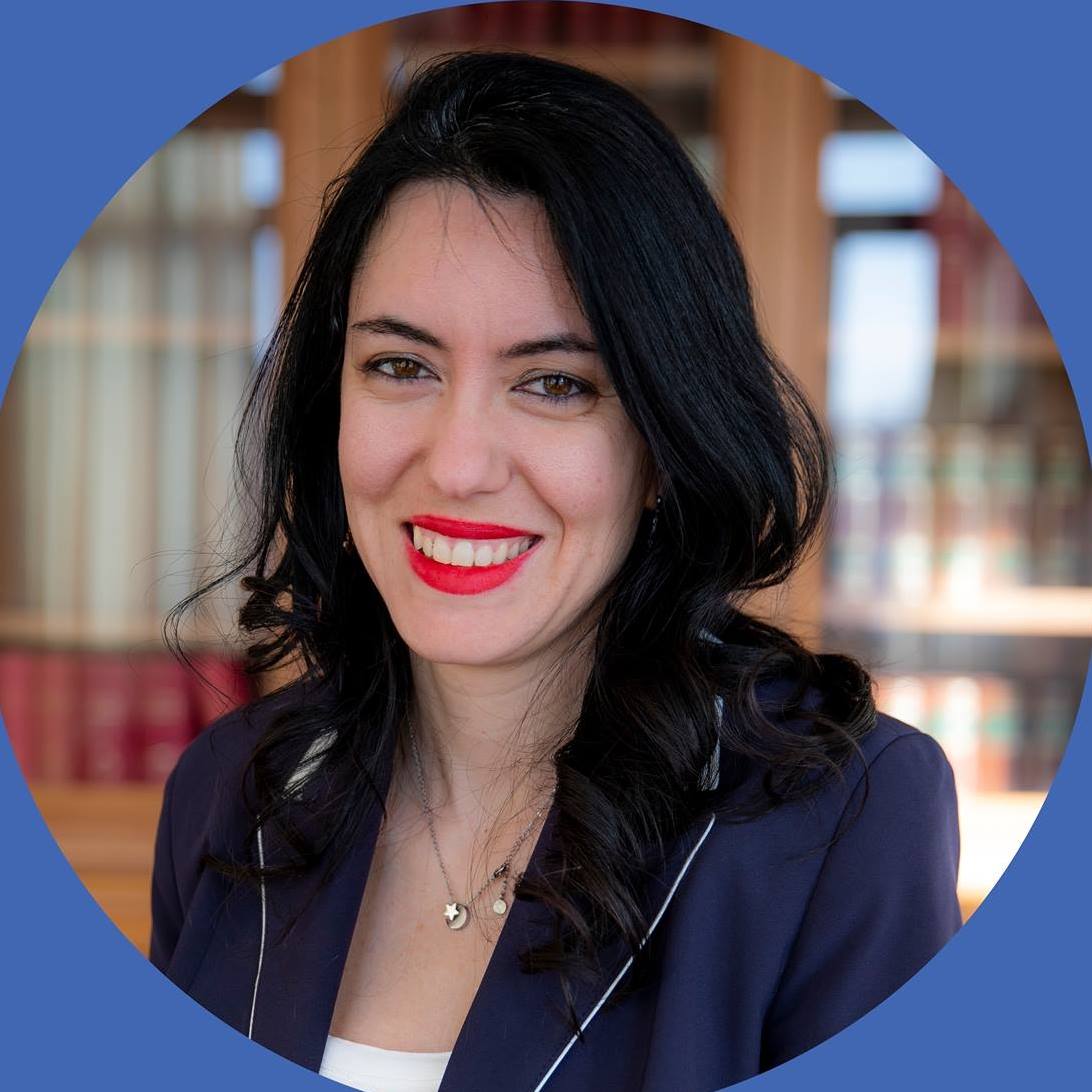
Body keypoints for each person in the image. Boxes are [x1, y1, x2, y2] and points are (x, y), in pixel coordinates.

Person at [151, 49, 962, 1092]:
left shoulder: (843, 822)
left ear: (664, 443)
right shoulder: (231, 795)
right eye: (400, 366)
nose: (458, 464)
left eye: (554, 383)